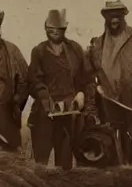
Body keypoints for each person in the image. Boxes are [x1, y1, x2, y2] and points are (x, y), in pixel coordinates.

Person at [27, 9, 94, 169]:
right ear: (46, 30)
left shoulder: (75, 50)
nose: (54, 33)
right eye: (50, 30)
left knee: (65, 165)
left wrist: (82, 93)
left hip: (69, 114)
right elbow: (33, 81)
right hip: (45, 114)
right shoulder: (39, 51)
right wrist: (45, 98)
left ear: (64, 30)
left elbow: (87, 78)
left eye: (58, 29)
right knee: (40, 164)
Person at [87, 0, 132, 164]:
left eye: (117, 15)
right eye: (110, 15)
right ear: (105, 18)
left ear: (124, 16)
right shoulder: (97, 45)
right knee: (113, 154)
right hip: (109, 108)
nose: (114, 19)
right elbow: (91, 78)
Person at [0, 1, 29, 153]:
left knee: (8, 157)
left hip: (4, 113)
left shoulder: (11, 51)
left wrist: (16, 102)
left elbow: (25, 80)